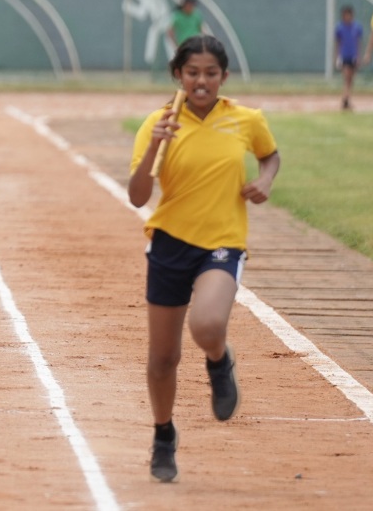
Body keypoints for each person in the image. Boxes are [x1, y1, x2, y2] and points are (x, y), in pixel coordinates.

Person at [129, 35, 281, 484]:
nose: (201, 81)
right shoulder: (159, 122)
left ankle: (218, 360)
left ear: (224, 77)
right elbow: (137, 195)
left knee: (208, 324)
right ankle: (163, 434)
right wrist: (155, 145)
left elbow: (270, 156)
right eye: (192, 72)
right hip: (170, 244)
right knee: (163, 359)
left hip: (223, 242)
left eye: (210, 73)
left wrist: (265, 181)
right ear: (178, 75)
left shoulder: (245, 119)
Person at [332, 5, 363, 111]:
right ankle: (345, 98)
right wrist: (336, 57)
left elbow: (358, 43)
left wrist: (358, 56)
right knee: (346, 77)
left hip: (353, 56)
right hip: (344, 55)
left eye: (349, 15)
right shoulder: (339, 27)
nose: (347, 17)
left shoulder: (356, 27)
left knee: (351, 79)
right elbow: (337, 43)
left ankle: (347, 98)